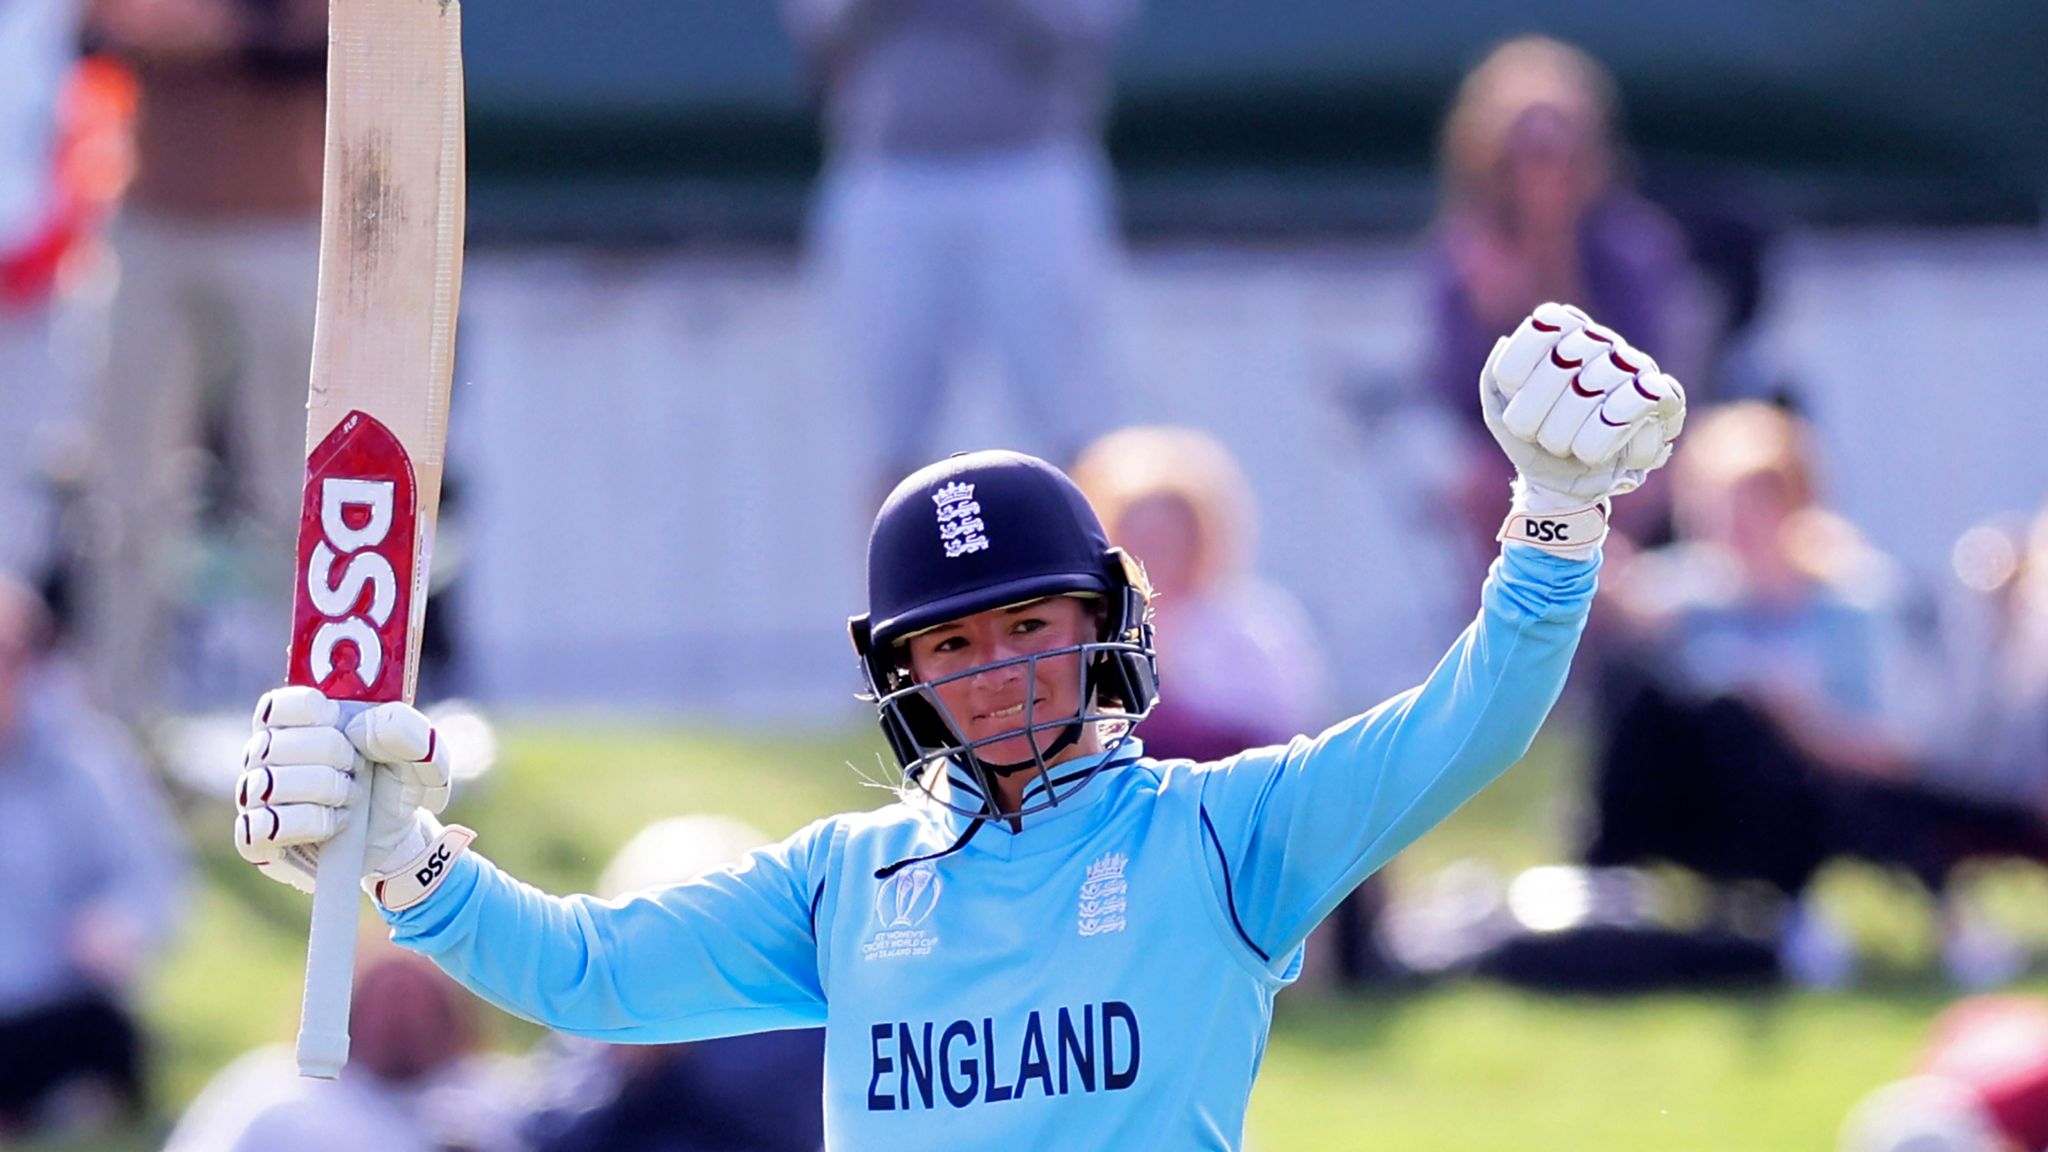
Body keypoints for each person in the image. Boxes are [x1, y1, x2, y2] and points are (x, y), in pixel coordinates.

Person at [230, 303, 1686, 1149]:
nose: (994, 671)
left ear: (1102, 623)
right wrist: (402, 862)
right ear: (899, 672)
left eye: (1027, 626)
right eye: (952, 644)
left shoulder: (1226, 838)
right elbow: (591, 977)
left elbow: (1470, 725)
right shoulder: (847, 884)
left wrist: (1556, 522)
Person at [1579, 401, 1987, 986]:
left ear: (1796, 507)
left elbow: (1901, 751)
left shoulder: (1857, 606)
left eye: (1749, 513)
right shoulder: (1696, 595)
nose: (1732, 533)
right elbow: (1631, 602)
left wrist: (1798, 720)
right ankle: (1605, 883)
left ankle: (1801, 917)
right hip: (1718, 805)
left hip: (1831, 794)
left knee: (1743, 721)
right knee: (1648, 692)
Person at [77, 0, 327, 725]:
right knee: (125, 490)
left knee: (297, 487)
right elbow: (90, 33)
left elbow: (331, 40)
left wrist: (224, 29)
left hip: (276, 223)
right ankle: (116, 720)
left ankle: (323, 716)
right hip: (154, 219)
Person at [782, 0, 1137, 491]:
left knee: (1078, 426)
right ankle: (892, 565)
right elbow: (823, 27)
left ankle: (1088, 564)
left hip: (1031, 170)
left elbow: (1080, 30)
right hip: (889, 175)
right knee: (888, 439)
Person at [1427, 36, 1692, 559]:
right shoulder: (1464, 263)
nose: (1541, 173)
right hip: (1513, 465)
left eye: (1557, 154)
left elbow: (1656, 381)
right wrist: (1493, 315)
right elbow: (1456, 400)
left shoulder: (1632, 251)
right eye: (1522, 156)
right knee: (1483, 487)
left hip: (1623, 454)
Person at [0, 572, 185, 1138]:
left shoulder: (87, 762)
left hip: (50, 1006)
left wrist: (118, 925)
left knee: (105, 1037)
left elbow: (153, 881)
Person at [524, 815, 827, 1152]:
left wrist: (672, 1052)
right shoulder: (612, 1015)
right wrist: (621, 1067)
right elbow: (545, 1126)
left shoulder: (789, 1026)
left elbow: (778, 1126)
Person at [161, 949, 527, 1152]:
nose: (399, 1021)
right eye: (384, 1002)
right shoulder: (277, 1094)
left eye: (418, 1005)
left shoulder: (504, 1102)